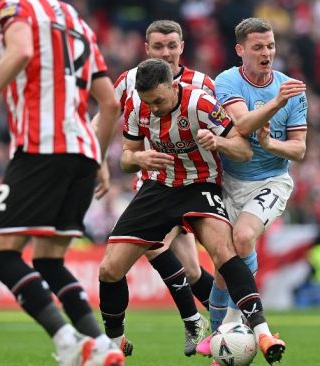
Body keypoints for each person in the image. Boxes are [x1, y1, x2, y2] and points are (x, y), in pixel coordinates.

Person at [0, 1, 124, 365]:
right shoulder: (78, 21)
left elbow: (21, 51)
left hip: (42, 147)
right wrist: (99, 159)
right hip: (83, 152)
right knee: (49, 261)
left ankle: (67, 341)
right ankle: (102, 345)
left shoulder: (16, 7)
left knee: (1, 255)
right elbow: (109, 104)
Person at [98, 58, 286, 365]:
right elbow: (126, 159)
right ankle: (115, 342)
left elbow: (244, 150)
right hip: (158, 188)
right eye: (149, 102)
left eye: (159, 100)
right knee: (109, 269)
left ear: (173, 86)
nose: (154, 108)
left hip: (200, 186)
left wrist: (219, 142)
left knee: (223, 253)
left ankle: (263, 333)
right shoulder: (136, 103)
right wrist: (139, 158)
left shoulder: (201, 103)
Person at [92, 20, 215, 357]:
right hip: (154, 183)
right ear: (147, 49)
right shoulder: (131, 82)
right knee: (188, 270)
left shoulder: (203, 85)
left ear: (182, 46)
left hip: (194, 183)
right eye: (159, 47)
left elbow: (227, 131)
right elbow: (102, 119)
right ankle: (217, 323)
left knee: (155, 248)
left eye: (172, 46)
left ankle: (203, 321)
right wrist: (95, 158)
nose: (166, 52)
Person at [196, 17, 307, 360]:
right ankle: (220, 343)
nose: (267, 53)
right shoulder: (228, 80)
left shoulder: (290, 87)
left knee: (243, 238)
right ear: (240, 50)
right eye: (258, 47)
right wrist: (275, 105)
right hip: (228, 181)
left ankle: (243, 327)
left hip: (271, 180)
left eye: (271, 46)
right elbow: (242, 124)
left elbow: (299, 149)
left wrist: (272, 146)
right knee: (221, 266)